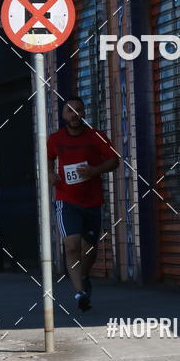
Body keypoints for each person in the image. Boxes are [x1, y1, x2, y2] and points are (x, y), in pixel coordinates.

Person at [47, 97, 119, 311]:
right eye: (70, 111)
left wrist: (95, 171)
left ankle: (84, 275)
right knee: (71, 245)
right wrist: (51, 173)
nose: (74, 114)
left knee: (90, 249)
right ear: (63, 115)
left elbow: (114, 159)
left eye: (78, 110)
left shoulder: (96, 136)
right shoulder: (55, 139)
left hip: (92, 201)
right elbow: (49, 158)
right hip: (66, 200)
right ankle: (80, 293)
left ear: (83, 113)